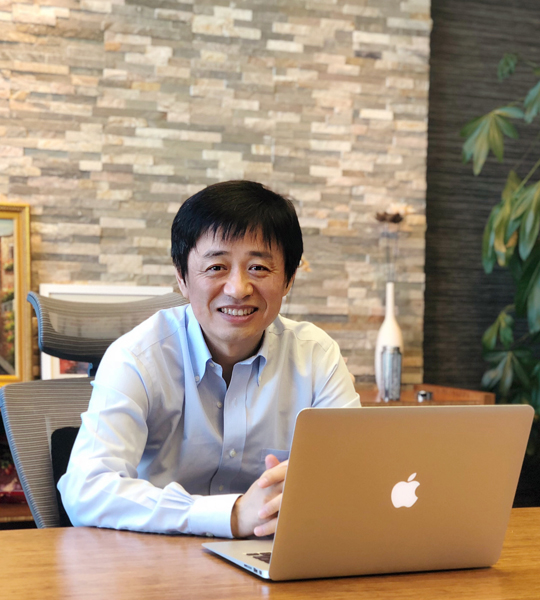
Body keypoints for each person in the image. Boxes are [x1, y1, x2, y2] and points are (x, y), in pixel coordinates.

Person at [58, 180, 360, 538]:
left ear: (288, 279)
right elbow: (86, 490)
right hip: (154, 557)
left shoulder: (317, 355)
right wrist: (232, 515)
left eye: (259, 268)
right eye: (216, 267)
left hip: (270, 558)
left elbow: (357, 475)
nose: (238, 289)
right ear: (182, 277)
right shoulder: (137, 358)